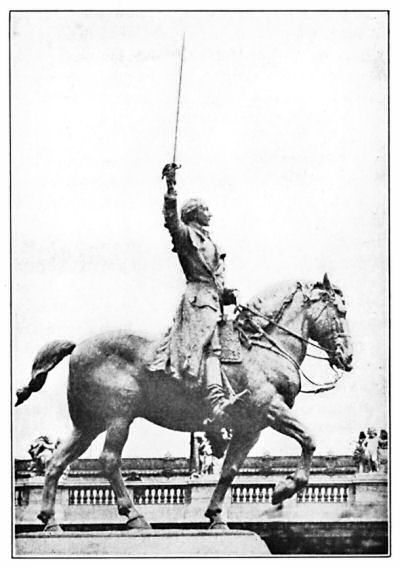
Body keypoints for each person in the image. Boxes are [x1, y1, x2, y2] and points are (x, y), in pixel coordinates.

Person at [148, 163, 244, 423]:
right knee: (210, 346)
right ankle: (216, 400)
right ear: (193, 214)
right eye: (205, 210)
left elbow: (216, 279)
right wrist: (171, 188)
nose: (210, 214)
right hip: (198, 302)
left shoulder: (212, 243)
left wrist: (226, 293)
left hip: (213, 300)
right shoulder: (186, 236)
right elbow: (171, 221)